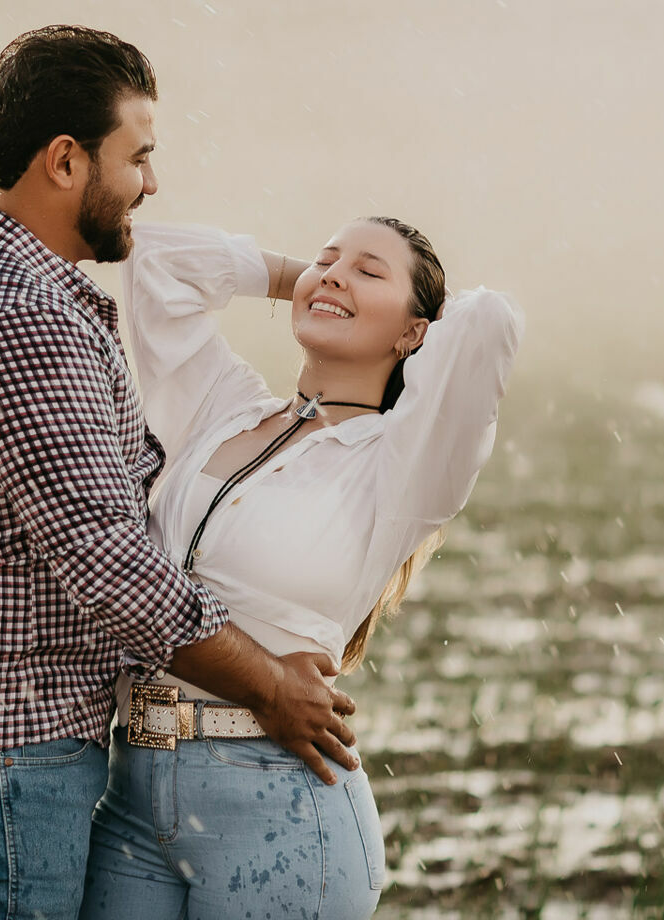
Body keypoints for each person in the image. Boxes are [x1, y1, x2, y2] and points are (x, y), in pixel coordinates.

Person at [0, 25, 359, 920]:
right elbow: (107, 562)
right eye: (139, 156)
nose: (151, 184)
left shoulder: (7, 282)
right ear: (64, 162)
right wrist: (274, 688)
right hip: (1, 738)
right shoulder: (21, 316)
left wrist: (311, 282)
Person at [79, 212, 525, 919]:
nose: (338, 271)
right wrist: (304, 282)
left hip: (279, 808)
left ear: (416, 332)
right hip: (131, 794)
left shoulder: (399, 465)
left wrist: (393, 313)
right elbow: (154, 255)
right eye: (328, 258)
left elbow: (489, 323)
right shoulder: (221, 407)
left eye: (370, 271)